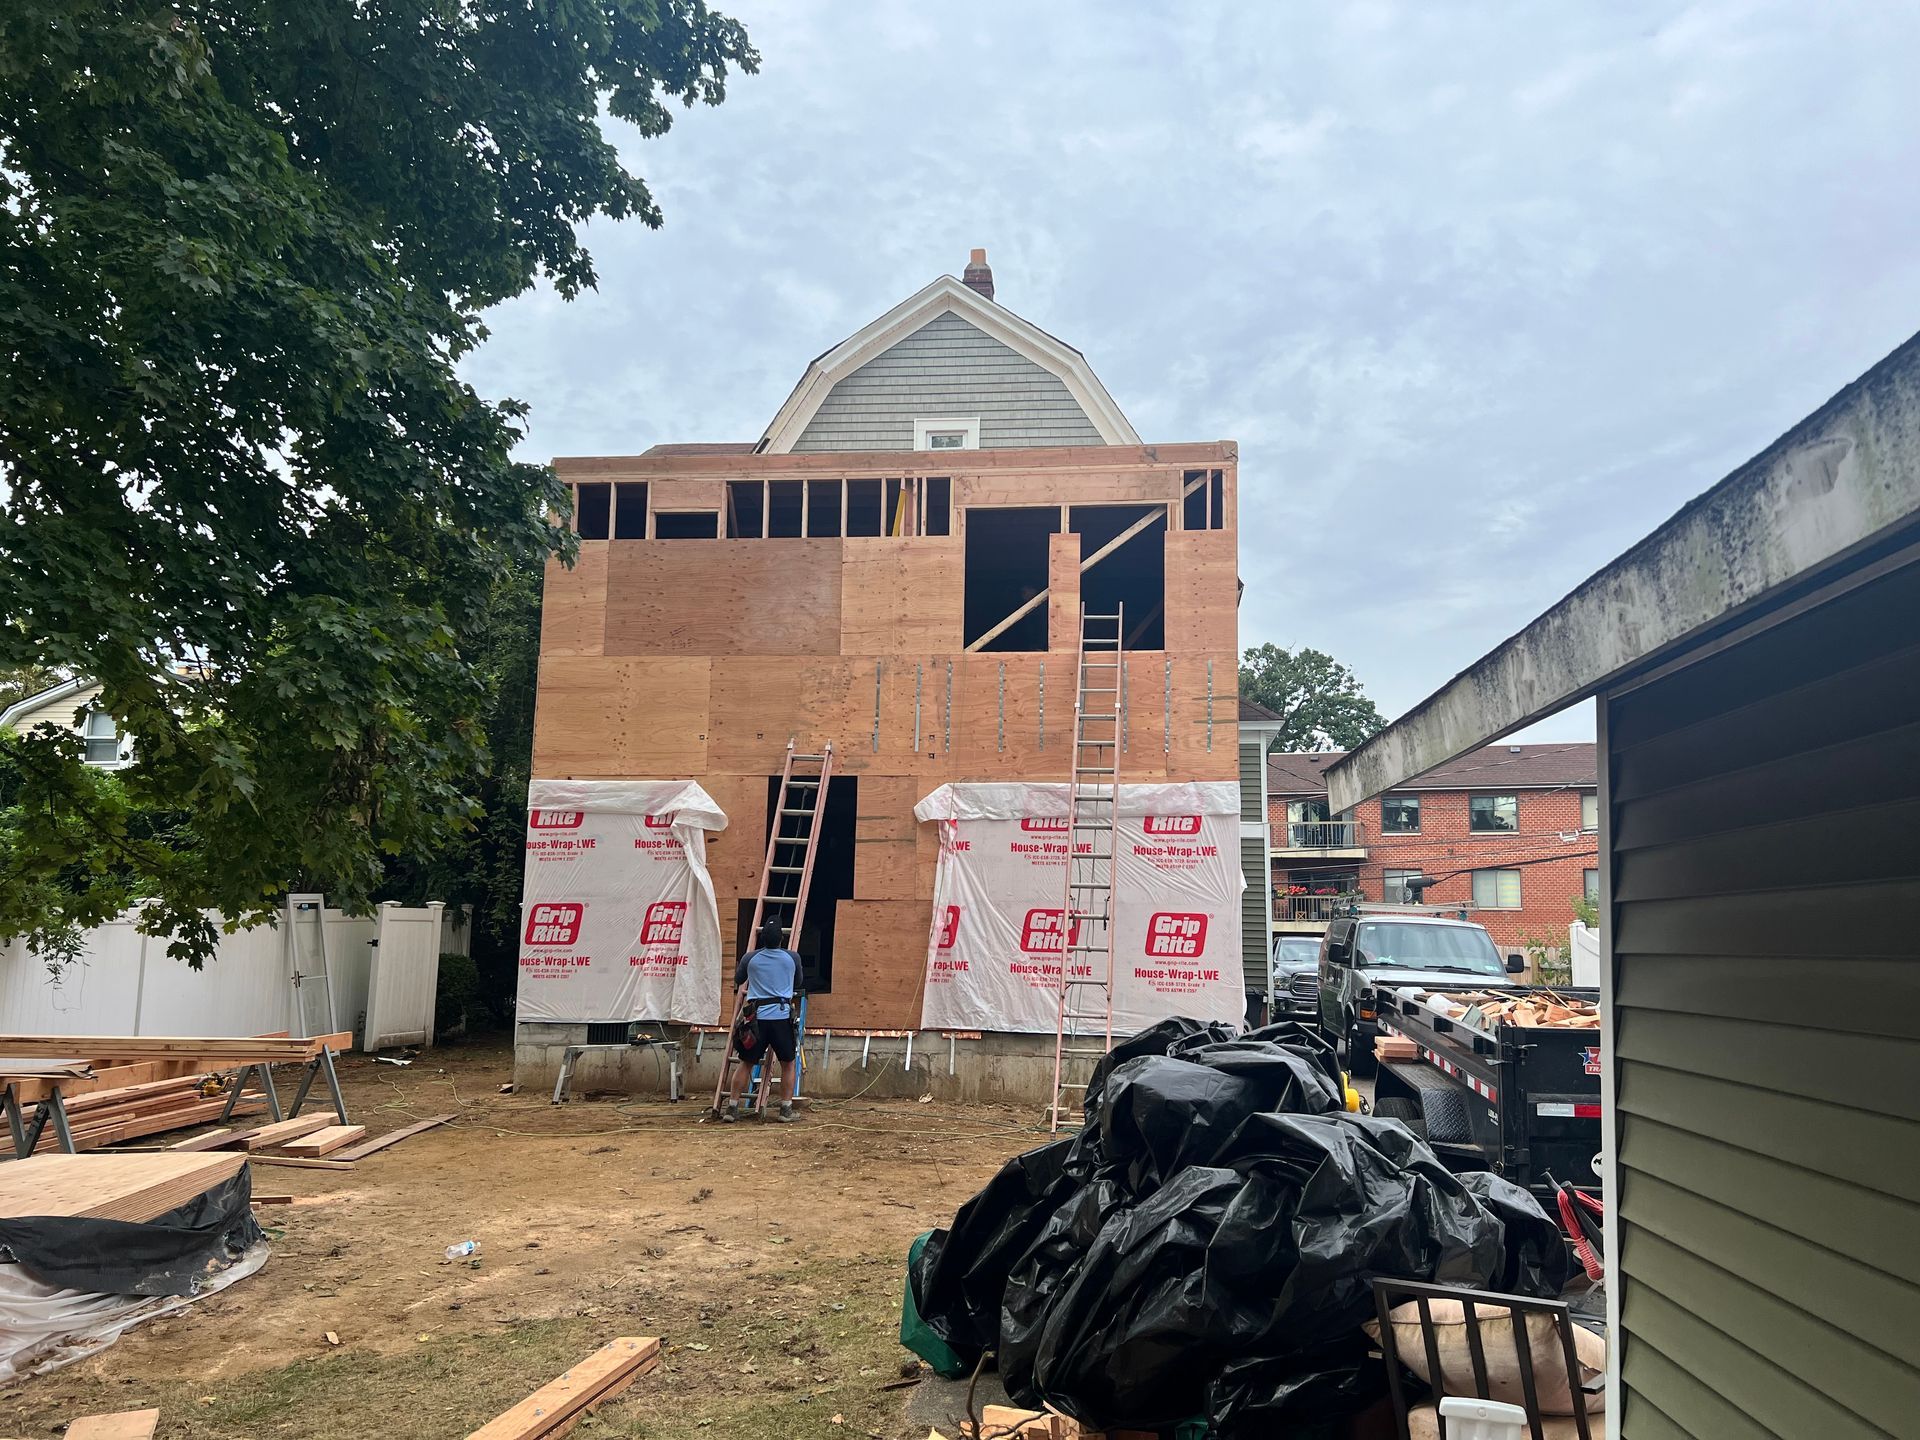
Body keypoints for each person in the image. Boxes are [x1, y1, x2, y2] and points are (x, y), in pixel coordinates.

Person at [722, 917, 802, 1122]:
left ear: (762, 938)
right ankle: (785, 1110)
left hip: (755, 1019)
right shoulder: (792, 958)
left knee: (746, 1063)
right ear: (781, 939)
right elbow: (799, 981)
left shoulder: (751, 958)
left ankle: (731, 1108)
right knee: (788, 1064)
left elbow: (739, 980)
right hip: (781, 1018)